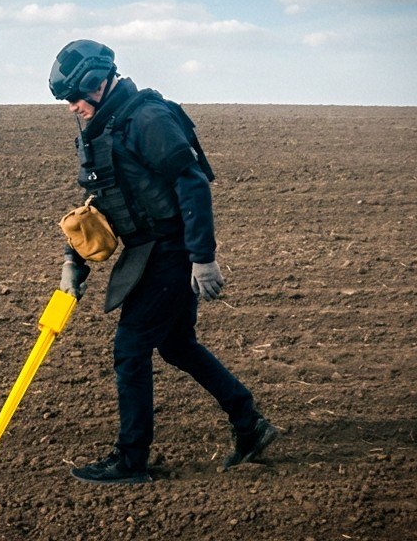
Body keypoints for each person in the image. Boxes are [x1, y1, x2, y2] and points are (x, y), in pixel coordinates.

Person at [49, 39, 278, 484]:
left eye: (77, 97)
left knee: (130, 349)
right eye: (67, 101)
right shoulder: (105, 126)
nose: (73, 107)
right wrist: (72, 260)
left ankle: (131, 460)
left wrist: (203, 259)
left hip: (170, 252)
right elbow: (104, 198)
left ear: (99, 82)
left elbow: (192, 183)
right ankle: (248, 422)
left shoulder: (147, 118)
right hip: (148, 252)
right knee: (175, 344)